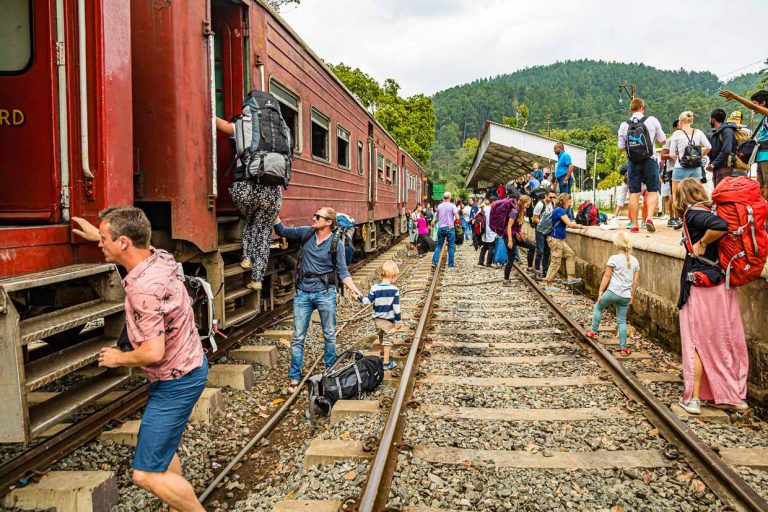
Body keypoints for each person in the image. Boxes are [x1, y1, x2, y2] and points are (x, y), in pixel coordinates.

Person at [72, 208, 207, 512]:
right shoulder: (160, 259)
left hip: (175, 381)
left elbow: (152, 352)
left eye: (104, 239)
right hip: (187, 369)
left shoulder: (144, 291)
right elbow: (136, 247)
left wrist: (118, 358)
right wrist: (102, 234)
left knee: (146, 473)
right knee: (163, 452)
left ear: (122, 243)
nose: (99, 244)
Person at [674, 178, 749, 414]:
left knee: (696, 340)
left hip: (700, 286)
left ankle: (693, 399)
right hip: (720, 283)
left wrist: (702, 243)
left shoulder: (693, 214)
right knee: (723, 339)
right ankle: (732, 395)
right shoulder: (707, 209)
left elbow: (720, 225)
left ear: (681, 196)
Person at [273, 208, 363, 393]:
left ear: (328, 222)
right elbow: (282, 231)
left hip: (325, 293)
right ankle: (294, 378)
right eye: (314, 215)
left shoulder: (336, 242)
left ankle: (330, 372)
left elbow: (342, 270)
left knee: (329, 334)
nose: (313, 218)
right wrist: (273, 209)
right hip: (303, 294)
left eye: (318, 216)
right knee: (298, 337)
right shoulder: (306, 232)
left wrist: (354, 289)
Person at [216, 118, 281, 292]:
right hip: (272, 193)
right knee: (263, 233)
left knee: (250, 220)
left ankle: (246, 258)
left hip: (245, 189)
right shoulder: (277, 132)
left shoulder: (242, 126)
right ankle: (257, 279)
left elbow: (218, 123)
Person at [584, 231, 640, 357]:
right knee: (621, 321)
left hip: (612, 292)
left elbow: (607, 276)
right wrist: (632, 294)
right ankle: (623, 348)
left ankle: (593, 331)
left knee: (598, 307)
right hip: (625, 296)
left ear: (616, 244)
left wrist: (600, 291)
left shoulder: (614, 259)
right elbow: (635, 281)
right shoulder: (635, 261)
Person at [617, 98, 666, 233]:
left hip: (633, 162)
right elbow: (662, 140)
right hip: (650, 159)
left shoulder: (624, 125)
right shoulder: (652, 120)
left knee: (634, 193)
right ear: (643, 108)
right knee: (652, 190)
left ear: (630, 109)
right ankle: (649, 218)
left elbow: (621, 147)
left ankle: (634, 224)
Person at [720, 89, 768, 204]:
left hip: (767, 157)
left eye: (756, 104)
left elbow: (752, 107)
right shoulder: (764, 119)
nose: (753, 108)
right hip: (761, 157)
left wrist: (736, 96)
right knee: (761, 189)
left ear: (763, 103)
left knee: (767, 190)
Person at [667, 111, 712, 230]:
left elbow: (671, 154)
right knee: (695, 194)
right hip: (696, 168)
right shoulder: (699, 132)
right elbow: (708, 147)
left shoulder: (677, 134)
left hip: (680, 167)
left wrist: (680, 157)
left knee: (677, 195)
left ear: (680, 122)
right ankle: (697, 218)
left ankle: (679, 219)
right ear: (691, 121)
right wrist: (699, 156)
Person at [359, 261, 402, 371]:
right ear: (393, 275)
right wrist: (398, 320)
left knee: (382, 336)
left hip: (377, 320)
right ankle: (386, 363)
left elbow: (368, 301)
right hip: (388, 320)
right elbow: (396, 308)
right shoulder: (394, 290)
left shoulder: (374, 288)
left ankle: (384, 355)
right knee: (388, 340)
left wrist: (359, 298)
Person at [543, 194, 584, 291]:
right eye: (569, 202)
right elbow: (569, 224)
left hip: (559, 239)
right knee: (555, 262)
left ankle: (570, 278)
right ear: (564, 201)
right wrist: (581, 226)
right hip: (556, 239)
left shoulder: (559, 210)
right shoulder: (560, 210)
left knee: (570, 254)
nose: (570, 204)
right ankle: (548, 284)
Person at [504, 195, 537, 285]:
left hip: (516, 235)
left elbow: (517, 226)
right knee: (511, 258)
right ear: (523, 203)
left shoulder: (521, 211)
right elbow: (509, 227)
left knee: (532, 246)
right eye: (527, 204)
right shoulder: (514, 212)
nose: (528, 206)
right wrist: (510, 240)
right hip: (509, 236)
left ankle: (530, 267)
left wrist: (521, 234)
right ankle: (506, 280)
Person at [707, 109, 738, 187]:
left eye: (710, 118)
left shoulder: (727, 131)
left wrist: (714, 164)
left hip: (725, 167)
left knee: (723, 192)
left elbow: (726, 150)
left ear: (713, 119)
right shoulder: (717, 132)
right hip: (718, 167)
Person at [431, 191, 460, 269]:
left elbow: (437, 217)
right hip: (450, 228)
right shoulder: (452, 206)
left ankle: (434, 262)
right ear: (449, 198)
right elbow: (457, 218)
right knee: (451, 246)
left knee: (439, 246)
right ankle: (450, 265)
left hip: (441, 228)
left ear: (443, 198)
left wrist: (433, 222)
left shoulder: (439, 206)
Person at [659, 120, 679, 224]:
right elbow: (662, 155)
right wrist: (672, 155)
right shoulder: (670, 140)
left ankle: (680, 216)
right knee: (673, 193)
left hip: (684, 168)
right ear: (675, 128)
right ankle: (672, 217)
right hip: (673, 168)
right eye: (680, 125)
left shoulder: (686, 138)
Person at [533, 190, 556, 278]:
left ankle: (545, 270)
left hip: (549, 231)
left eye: (554, 197)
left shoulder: (552, 204)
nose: (552, 199)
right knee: (540, 251)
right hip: (540, 230)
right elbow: (535, 218)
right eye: (550, 197)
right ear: (545, 196)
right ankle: (537, 271)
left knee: (547, 251)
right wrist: (543, 225)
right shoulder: (540, 205)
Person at [553, 143, 575, 218]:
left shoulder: (565, 155)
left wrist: (566, 178)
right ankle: (565, 216)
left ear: (560, 148)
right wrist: (556, 178)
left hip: (564, 179)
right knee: (562, 198)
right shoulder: (560, 157)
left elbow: (571, 166)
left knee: (566, 198)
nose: (554, 150)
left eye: (555, 148)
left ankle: (568, 217)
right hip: (560, 179)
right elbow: (561, 169)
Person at [477, 196, 497, 267]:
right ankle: (488, 263)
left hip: (483, 231)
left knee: (484, 247)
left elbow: (476, 216)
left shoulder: (483, 208)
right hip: (491, 232)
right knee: (491, 248)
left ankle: (480, 262)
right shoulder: (494, 210)